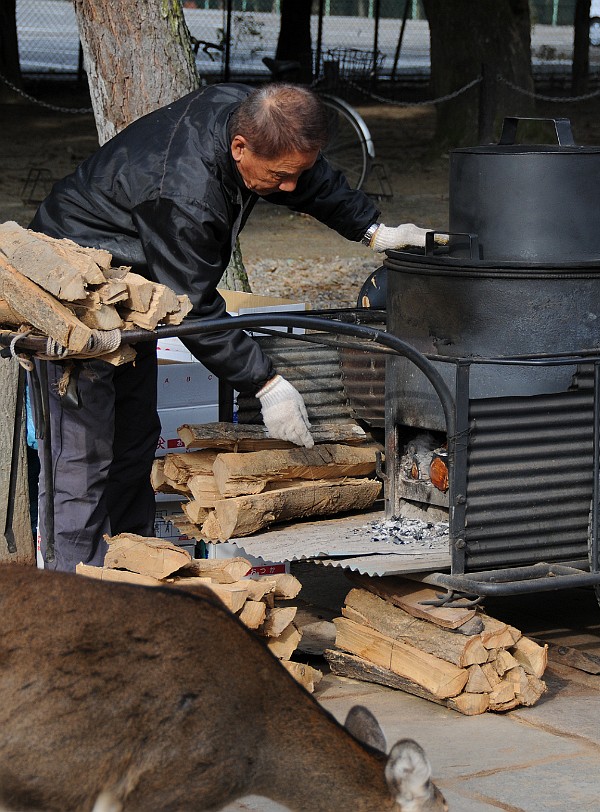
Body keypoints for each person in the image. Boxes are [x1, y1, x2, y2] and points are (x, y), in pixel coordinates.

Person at [30, 82, 437, 572]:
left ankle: (136, 568)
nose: (289, 188)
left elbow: (305, 174)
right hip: (73, 288)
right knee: (84, 454)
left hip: (134, 289)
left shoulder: (254, 116)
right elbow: (194, 307)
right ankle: (74, 589)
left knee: (134, 436)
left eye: (295, 175)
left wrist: (372, 230)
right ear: (239, 148)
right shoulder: (186, 198)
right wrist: (265, 383)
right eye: (278, 177)